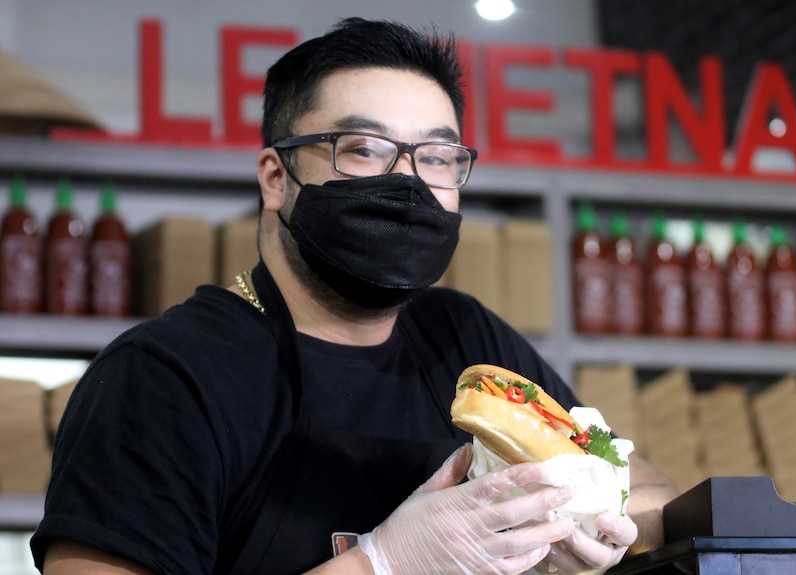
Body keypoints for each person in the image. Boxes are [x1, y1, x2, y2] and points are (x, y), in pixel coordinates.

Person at [31, 17, 678, 575]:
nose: (407, 182)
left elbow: (653, 492)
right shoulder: (164, 379)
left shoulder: (463, 338)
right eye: (363, 149)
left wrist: (587, 517)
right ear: (276, 178)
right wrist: (385, 561)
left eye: (436, 157)